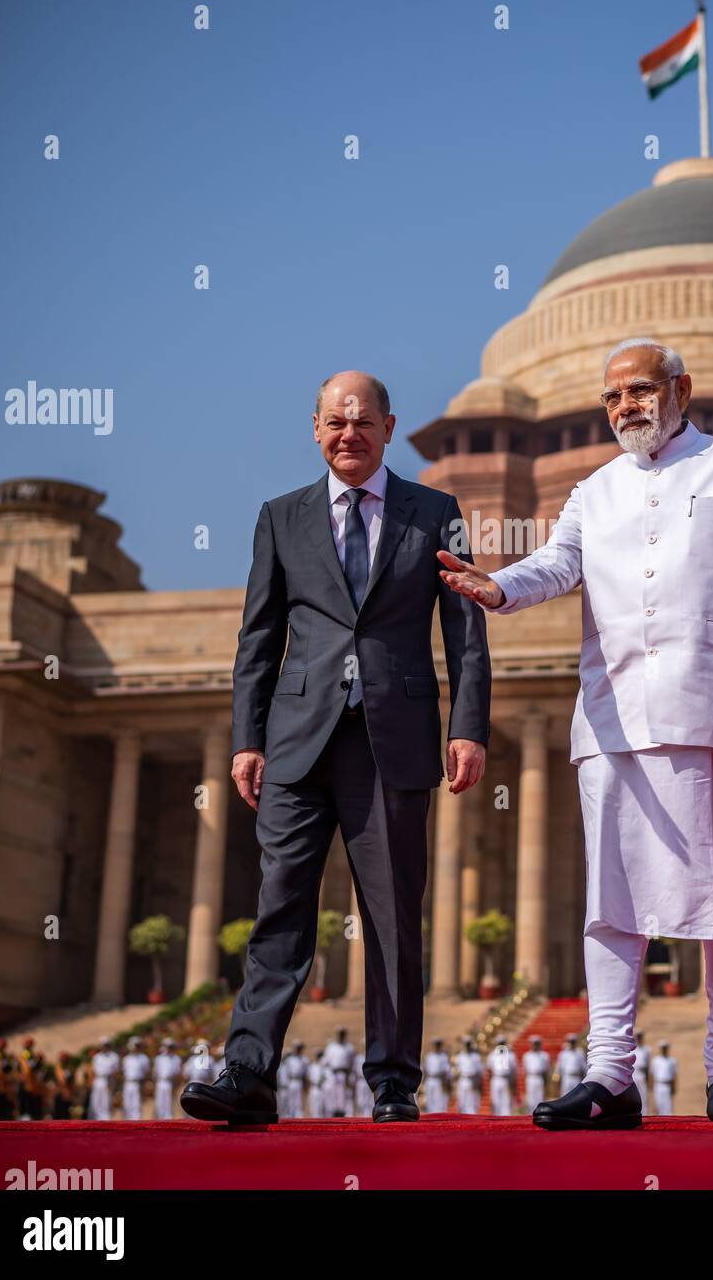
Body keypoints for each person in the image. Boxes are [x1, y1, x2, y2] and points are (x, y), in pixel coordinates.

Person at [439, 337, 713, 1129]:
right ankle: (609, 1075)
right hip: (614, 721)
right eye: (613, 397)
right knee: (610, 904)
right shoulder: (594, 491)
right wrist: (499, 586)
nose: (626, 407)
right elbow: (554, 565)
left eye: (641, 390)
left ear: (681, 390)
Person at [182, 371, 490, 1128]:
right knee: (278, 906)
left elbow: (466, 634)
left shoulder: (436, 513)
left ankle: (393, 1082)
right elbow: (257, 638)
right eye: (333, 422)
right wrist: (246, 739)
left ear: (388, 426)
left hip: (394, 737)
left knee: (391, 915)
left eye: (361, 421)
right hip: (296, 741)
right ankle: (248, 1072)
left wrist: (467, 725)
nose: (347, 433)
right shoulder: (280, 517)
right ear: (314, 430)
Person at [323, 1029, 355, 1117]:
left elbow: (352, 1064)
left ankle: (343, 1113)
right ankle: (334, 1113)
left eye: (342, 1034)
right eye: (339, 1034)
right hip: (333, 1074)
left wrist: (350, 1076)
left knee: (344, 1095)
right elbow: (325, 1062)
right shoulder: (331, 1047)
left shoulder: (349, 1047)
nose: (341, 1036)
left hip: (344, 1073)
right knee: (333, 1094)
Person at [89, 1037, 119, 1121]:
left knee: (106, 1102)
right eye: (103, 1045)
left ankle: (106, 1120)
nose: (105, 1047)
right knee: (96, 1101)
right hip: (98, 1080)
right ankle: (96, 1119)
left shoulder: (114, 1056)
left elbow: (116, 1071)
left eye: (107, 1045)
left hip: (108, 1079)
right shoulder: (97, 1057)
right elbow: (93, 1071)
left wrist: (113, 1083)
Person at [121, 1038, 151, 1121]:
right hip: (127, 1083)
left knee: (136, 1104)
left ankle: (136, 1123)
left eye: (137, 1045)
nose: (135, 1047)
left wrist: (144, 1085)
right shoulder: (126, 1059)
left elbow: (146, 1072)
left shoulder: (143, 1058)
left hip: (137, 1083)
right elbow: (123, 1072)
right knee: (127, 1104)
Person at [153, 1038, 182, 1120]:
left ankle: (168, 1120)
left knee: (169, 1104)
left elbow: (177, 1073)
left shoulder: (176, 1059)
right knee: (159, 1103)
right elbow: (155, 1072)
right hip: (160, 1082)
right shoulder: (159, 1058)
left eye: (171, 1047)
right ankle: (159, 1119)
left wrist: (176, 1086)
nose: (169, 1048)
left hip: (170, 1083)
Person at [489, 1036, 517, 1116]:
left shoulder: (510, 1055)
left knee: (506, 1102)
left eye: (502, 1043)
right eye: (499, 1044)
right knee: (495, 1101)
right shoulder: (492, 1055)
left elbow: (513, 1072)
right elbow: (490, 1069)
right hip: (496, 1079)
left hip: (505, 1079)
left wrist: (513, 1085)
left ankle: (506, 1121)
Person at [423, 1038, 452, 1113]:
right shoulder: (429, 1056)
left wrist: (446, 1082)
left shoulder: (443, 1056)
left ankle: (438, 1114)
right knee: (429, 1099)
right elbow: (425, 1068)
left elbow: (446, 1070)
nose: (436, 1047)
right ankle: (430, 1114)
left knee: (438, 1100)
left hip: (439, 1080)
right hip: (430, 1079)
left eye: (438, 1045)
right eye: (435, 1045)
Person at [455, 1037, 483, 1115]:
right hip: (462, 1080)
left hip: (472, 1080)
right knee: (462, 1102)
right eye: (465, 1045)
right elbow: (456, 1070)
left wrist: (477, 1083)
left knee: (472, 1102)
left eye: (468, 1044)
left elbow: (479, 1071)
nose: (467, 1046)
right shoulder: (460, 1056)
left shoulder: (476, 1056)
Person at [522, 1036, 551, 1112]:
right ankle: (530, 1114)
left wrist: (546, 1084)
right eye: (533, 1044)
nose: (534, 1046)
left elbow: (546, 1071)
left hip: (539, 1077)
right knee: (530, 1099)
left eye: (536, 1044)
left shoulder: (544, 1055)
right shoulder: (527, 1056)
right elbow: (525, 1070)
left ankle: (539, 1113)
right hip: (530, 1077)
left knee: (539, 1097)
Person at [650, 1042, 677, 1116]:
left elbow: (674, 1075)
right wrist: (651, 1087)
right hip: (658, 1084)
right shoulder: (655, 1060)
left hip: (667, 1085)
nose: (664, 1050)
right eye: (663, 1048)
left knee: (668, 1106)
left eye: (665, 1048)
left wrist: (674, 1087)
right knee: (658, 1105)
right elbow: (652, 1074)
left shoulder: (672, 1060)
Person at [633, 1030, 651, 1113]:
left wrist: (648, 1079)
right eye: (638, 1036)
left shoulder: (646, 1049)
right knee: (634, 1096)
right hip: (634, 1075)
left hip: (642, 1074)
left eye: (640, 1036)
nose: (639, 1038)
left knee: (643, 1096)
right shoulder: (632, 1049)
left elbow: (647, 1065)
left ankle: (644, 1115)